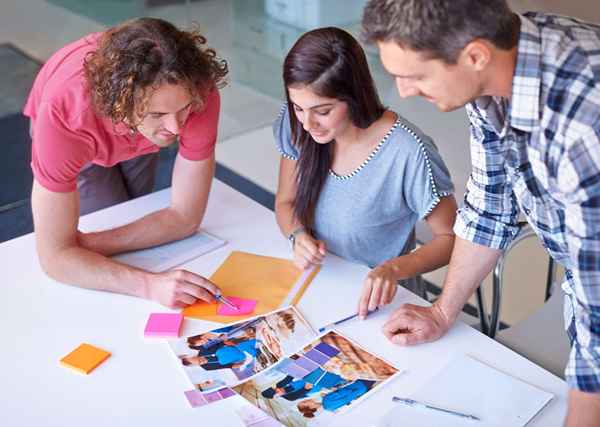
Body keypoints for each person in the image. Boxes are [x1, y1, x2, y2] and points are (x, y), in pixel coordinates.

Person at [362, 1, 600, 425]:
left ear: (474, 56)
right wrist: (440, 311)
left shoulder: (586, 125)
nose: (403, 93)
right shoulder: (497, 71)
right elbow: (490, 205)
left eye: (415, 76)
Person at [24, 18, 228, 308]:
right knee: (110, 213)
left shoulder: (197, 91)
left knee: (132, 207)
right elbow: (54, 258)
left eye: (183, 110)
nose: (177, 128)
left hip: (135, 129)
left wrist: (84, 245)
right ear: (121, 104)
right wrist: (150, 285)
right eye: (158, 114)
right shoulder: (65, 113)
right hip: (80, 131)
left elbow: (184, 219)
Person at [274, 27, 457, 317]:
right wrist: (298, 235)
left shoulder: (408, 151)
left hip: (381, 305)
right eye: (298, 108)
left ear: (354, 97)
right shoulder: (298, 123)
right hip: (316, 288)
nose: (308, 124)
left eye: (322, 111)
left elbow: (450, 239)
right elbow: (286, 202)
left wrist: (392, 269)